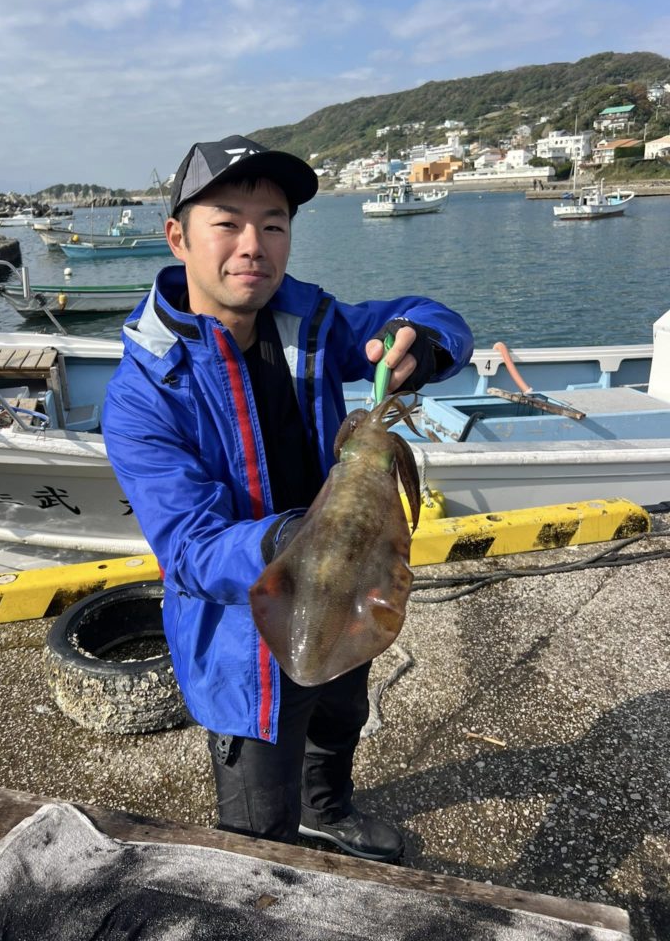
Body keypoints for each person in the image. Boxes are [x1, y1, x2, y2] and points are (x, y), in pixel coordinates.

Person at [102, 134, 473, 863]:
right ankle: (272, 856)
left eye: (273, 224)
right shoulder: (144, 393)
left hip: (348, 583)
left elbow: (432, 315)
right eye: (227, 223)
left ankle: (326, 810)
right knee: (257, 822)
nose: (253, 245)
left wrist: (422, 346)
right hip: (242, 631)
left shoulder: (312, 322)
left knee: (340, 715)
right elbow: (189, 549)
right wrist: (293, 541)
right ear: (178, 237)